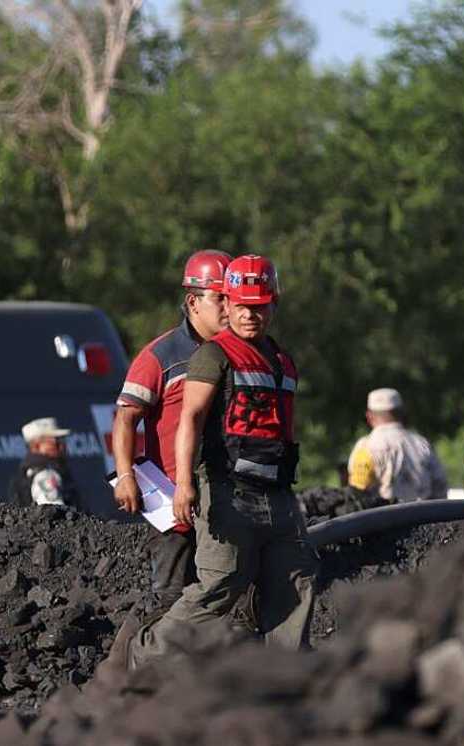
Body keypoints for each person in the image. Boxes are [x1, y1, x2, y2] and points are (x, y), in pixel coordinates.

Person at [128, 254, 318, 669]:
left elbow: (286, 424)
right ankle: (148, 657)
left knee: (296, 578)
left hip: (277, 492)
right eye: (243, 305)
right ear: (228, 305)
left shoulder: (282, 360)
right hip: (228, 489)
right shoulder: (213, 355)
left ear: (274, 305)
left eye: (261, 305)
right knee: (221, 583)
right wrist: (184, 485)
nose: (252, 314)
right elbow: (190, 420)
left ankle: (284, 681)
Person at [112, 249, 231, 615]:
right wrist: (125, 475)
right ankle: (154, 667)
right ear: (193, 302)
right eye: (219, 299)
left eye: (232, 298)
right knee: (172, 598)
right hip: (173, 503)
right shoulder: (160, 356)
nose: (229, 308)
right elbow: (125, 418)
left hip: (224, 499)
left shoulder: (237, 353)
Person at [347, 388, 448, 502]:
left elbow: (357, 492)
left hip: (383, 518)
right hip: (424, 516)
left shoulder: (365, 447)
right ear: (401, 413)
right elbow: (440, 487)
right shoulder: (422, 444)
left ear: (369, 416)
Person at [8, 417, 79, 507]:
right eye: (55, 442)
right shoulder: (45, 475)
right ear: (36, 446)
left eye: (62, 440)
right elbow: (55, 515)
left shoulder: (28, 472)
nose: (62, 446)